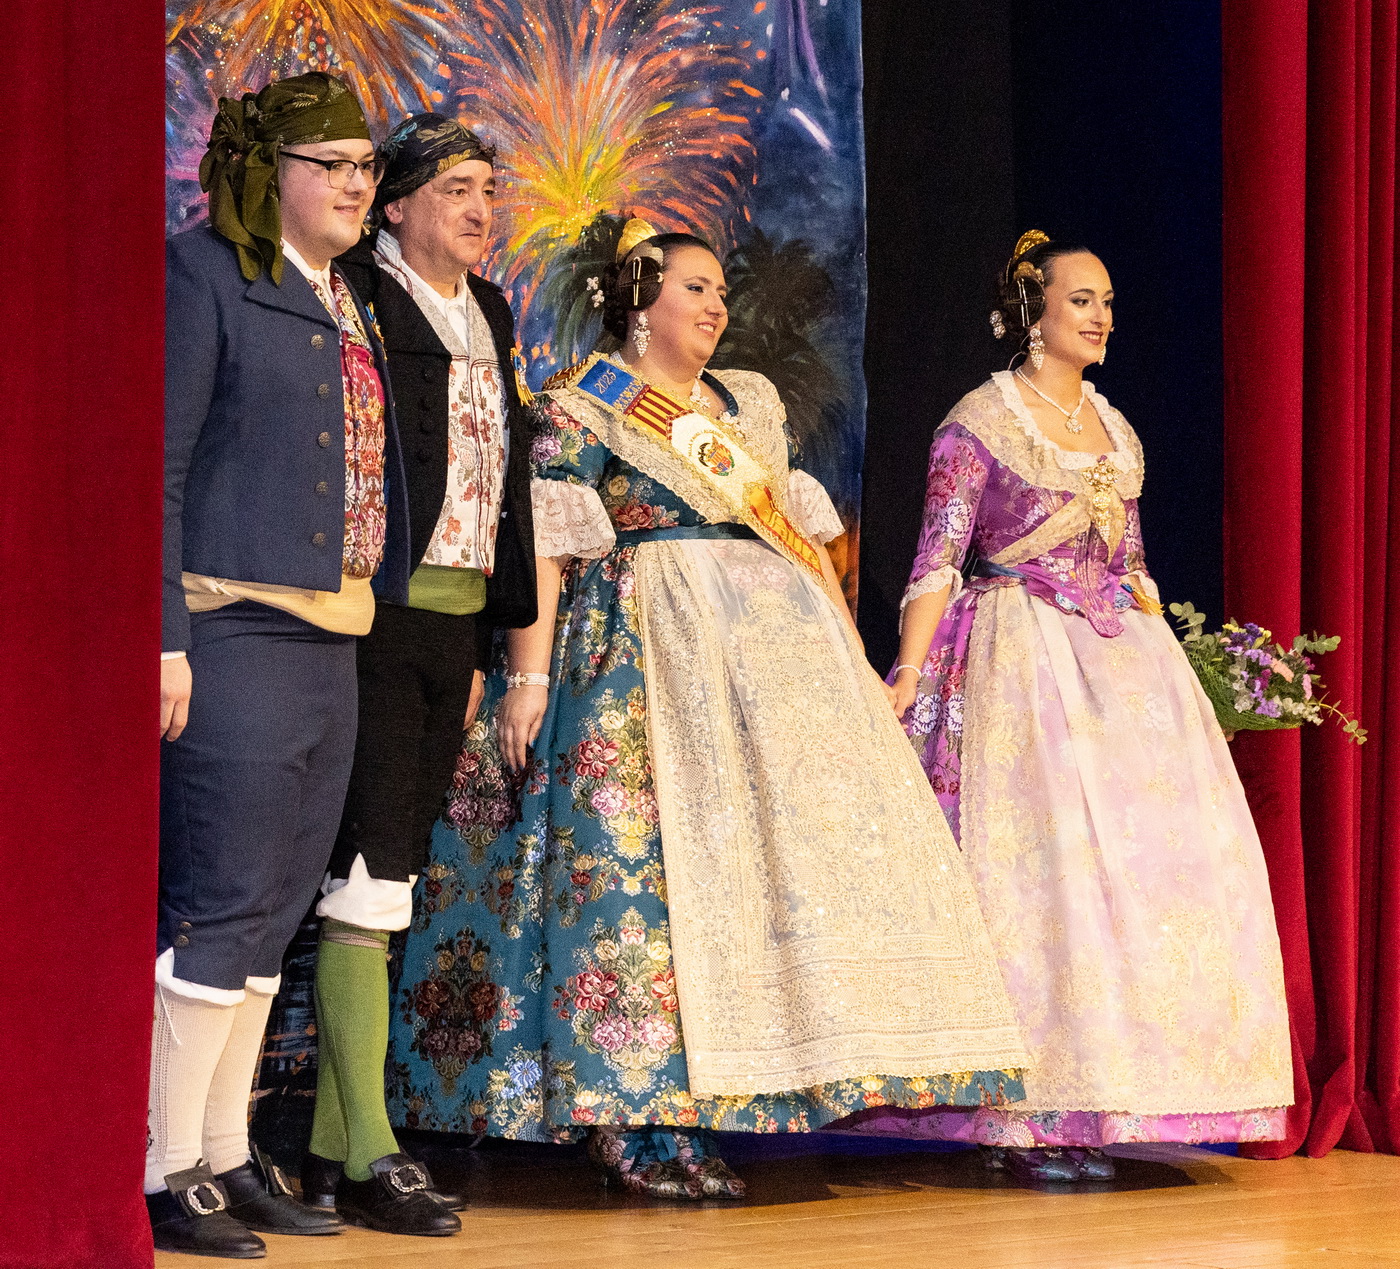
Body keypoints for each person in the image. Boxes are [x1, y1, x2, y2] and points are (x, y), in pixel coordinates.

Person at [384, 218, 1030, 1199]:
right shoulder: (581, 405)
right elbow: (548, 548)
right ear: (640, 301)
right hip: (641, 658)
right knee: (638, 883)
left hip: (771, 667)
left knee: (754, 884)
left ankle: (733, 1098)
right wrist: (529, 680)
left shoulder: (752, 403)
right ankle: (633, 1119)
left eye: (721, 289)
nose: (717, 304)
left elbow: (800, 542)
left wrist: (852, 659)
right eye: (694, 287)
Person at [872, 231, 1292, 1182]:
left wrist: (1176, 674)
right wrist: (908, 671)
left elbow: (1131, 564)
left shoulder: (1116, 428)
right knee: (1038, 877)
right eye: (1081, 300)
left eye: (1106, 302)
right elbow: (937, 558)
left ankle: (1104, 1097)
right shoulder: (979, 423)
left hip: (1119, 667)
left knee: (1138, 876)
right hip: (1018, 659)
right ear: (1034, 311)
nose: (1101, 317)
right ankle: (1024, 1114)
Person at [151, 72, 410, 1258]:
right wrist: (165, 635)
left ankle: (222, 1155)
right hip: (234, 627)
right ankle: (163, 1170)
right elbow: (157, 469)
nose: (357, 184)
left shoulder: (343, 294)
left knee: (273, 918)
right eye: (332, 165)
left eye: (365, 165)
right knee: (220, 904)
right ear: (270, 171)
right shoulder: (204, 273)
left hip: (331, 637)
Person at [296, 113, 538, 1238]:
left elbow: (506, 486)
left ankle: (331, 1151)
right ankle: (370, 1153)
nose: (480, 208)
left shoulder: (491, 309)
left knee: (389, 878)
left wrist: (495, 638)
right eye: (455, 189)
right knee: (363, 873)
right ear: (393, 206)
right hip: (375, 619)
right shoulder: (359, 299)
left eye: (488, 189)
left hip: (454, 627)